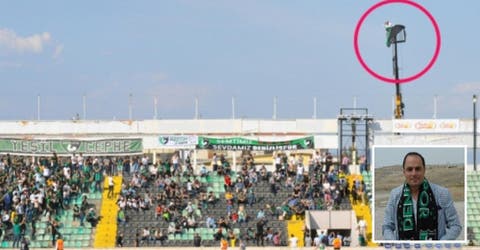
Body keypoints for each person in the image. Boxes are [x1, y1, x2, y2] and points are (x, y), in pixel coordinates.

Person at [382, 152, 462, 240]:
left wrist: (440, 245)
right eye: (409, 169)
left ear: (424, 170)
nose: (414, 173)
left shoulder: (442, 193)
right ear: (404, 172)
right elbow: (387, 227)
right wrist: (395, 244)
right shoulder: (395, 195)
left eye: (418, 169)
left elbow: (455, 226)